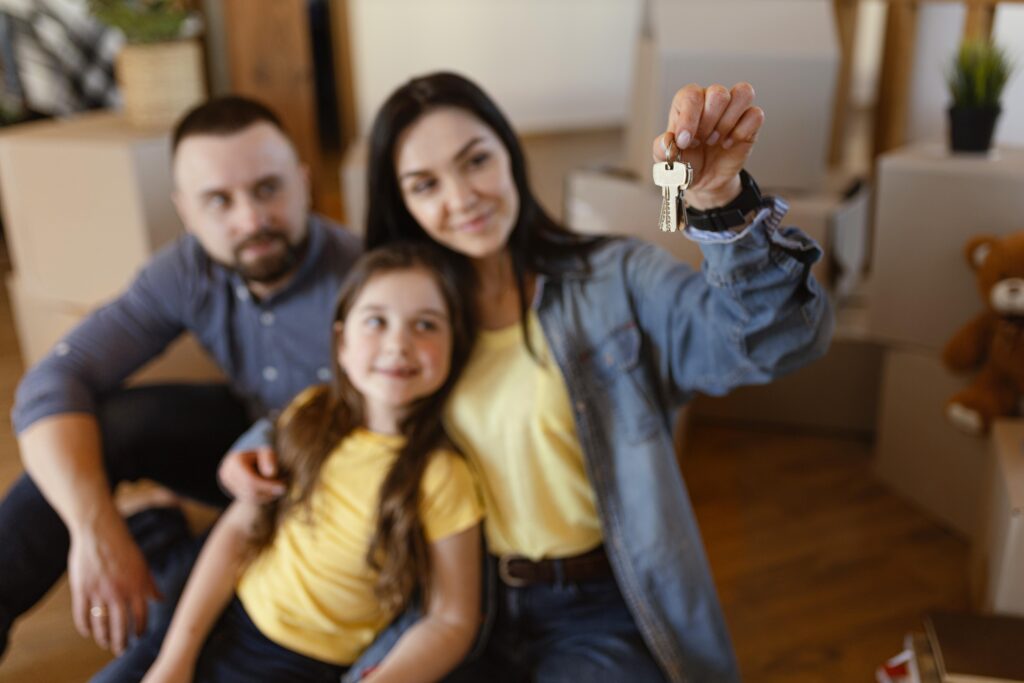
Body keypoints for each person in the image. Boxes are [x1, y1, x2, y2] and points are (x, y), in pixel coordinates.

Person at [222, 72, 833, 682]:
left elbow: (774, 343)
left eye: (476, 161)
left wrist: (719, 204)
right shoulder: (417, 318)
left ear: (510, 156)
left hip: (597, 605)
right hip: (453, 599)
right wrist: (258, 448)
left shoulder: (614, 279)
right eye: (425, 184)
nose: (461, 198)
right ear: (401, 203)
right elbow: (346, 400)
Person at [0, 95, 362, 658]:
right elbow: (53, 381)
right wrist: (95, 529)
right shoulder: (187, 268)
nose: (250, 219)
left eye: (268, 188)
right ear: (186, 212)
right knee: (112, 424)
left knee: (179, 627)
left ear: (303, 181)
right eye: (219, 200)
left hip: (324, 484)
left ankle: (160, 537)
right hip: (246, 440)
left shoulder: (366, 282)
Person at [93, 244, 483, 683]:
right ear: (342, 343)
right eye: (376, 321)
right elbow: (240, 528)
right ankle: (155, 520)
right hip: (215, 615)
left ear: (455, 345)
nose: (398, 343)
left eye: (426, 325)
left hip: (297, 666)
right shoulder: (310, 414)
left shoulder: (442, 476)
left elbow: (452, 620)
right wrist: (175, 658)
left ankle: (155, 518)